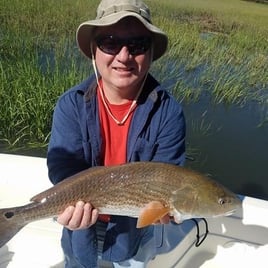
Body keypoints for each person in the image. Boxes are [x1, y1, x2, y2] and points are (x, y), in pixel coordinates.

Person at [47, 0, 186, 267]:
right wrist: (71, 209)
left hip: (134, 231)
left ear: (151, 52)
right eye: (109, 43)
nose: (123, 56)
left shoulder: (169, 113)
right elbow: (62, 169)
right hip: (78, 229)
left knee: (130, 259)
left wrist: (164, 210)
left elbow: (170, 175)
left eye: (138, 45)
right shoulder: (70, 105)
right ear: (93, 49)